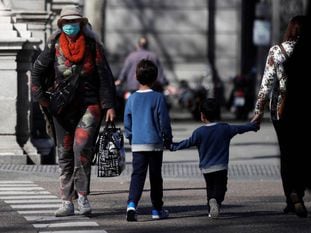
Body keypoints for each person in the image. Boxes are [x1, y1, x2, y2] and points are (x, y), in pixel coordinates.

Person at [31, 5, 116, 217]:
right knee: (65, 154)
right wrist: (42, 99)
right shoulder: (53, 47)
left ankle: (83, 197)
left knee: (83, 150)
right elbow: (36, 73)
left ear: (82, 24)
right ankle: (66, 201)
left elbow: (104, 76)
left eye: (74, 22)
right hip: (61, 110)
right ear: (61, 25)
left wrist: (109, 105)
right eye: (66, 23)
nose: (70, 26)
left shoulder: (92, 46)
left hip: (90, 106)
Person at [251, 15, 307, 217]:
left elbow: (266, 85)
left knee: (286, 152)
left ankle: (291, 195)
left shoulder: (277, 51)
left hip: (281, 110)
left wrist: (258, 113)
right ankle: (298, 193)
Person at [170, 98, 258, 218]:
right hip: (221, 167)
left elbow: (187, 143)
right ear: (219, 114)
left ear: (202, 116)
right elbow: (240, 129)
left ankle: (211, 209)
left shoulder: (199, 132)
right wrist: (252, 126)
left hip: (206, 168)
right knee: (221, 189)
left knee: (210, 188)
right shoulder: (225, 128)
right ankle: (215, 201)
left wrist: (173, 146)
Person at [123, 59, 172, 222]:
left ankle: (131, 205)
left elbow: (127, 122)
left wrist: (131, 137)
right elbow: (164, 121)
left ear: (136, 76)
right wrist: (168, 139)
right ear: (155, 77)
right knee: (155, 177)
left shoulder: (132, 98)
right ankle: (157, 209)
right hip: (155, 143)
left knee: (137, 175)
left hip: (138, 144)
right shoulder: (158, 98)